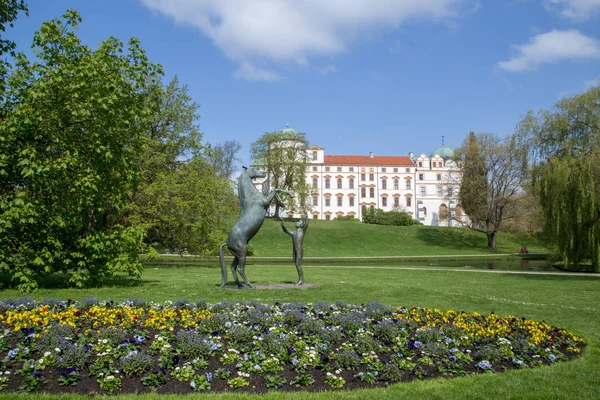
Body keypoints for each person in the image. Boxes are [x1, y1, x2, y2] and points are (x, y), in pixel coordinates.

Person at [279, 211, 309, 285]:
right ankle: (300, 279)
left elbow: (307, 224)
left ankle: (301, 280)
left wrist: (307, 215)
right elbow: (286, 231)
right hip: (295, 251)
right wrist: (283, 224)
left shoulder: (302, 231)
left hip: (299, 251)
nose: (297, 222)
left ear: (301, 225)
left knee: (298, 265)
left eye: (299, 222)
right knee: (296, 265)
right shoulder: (294, 233)